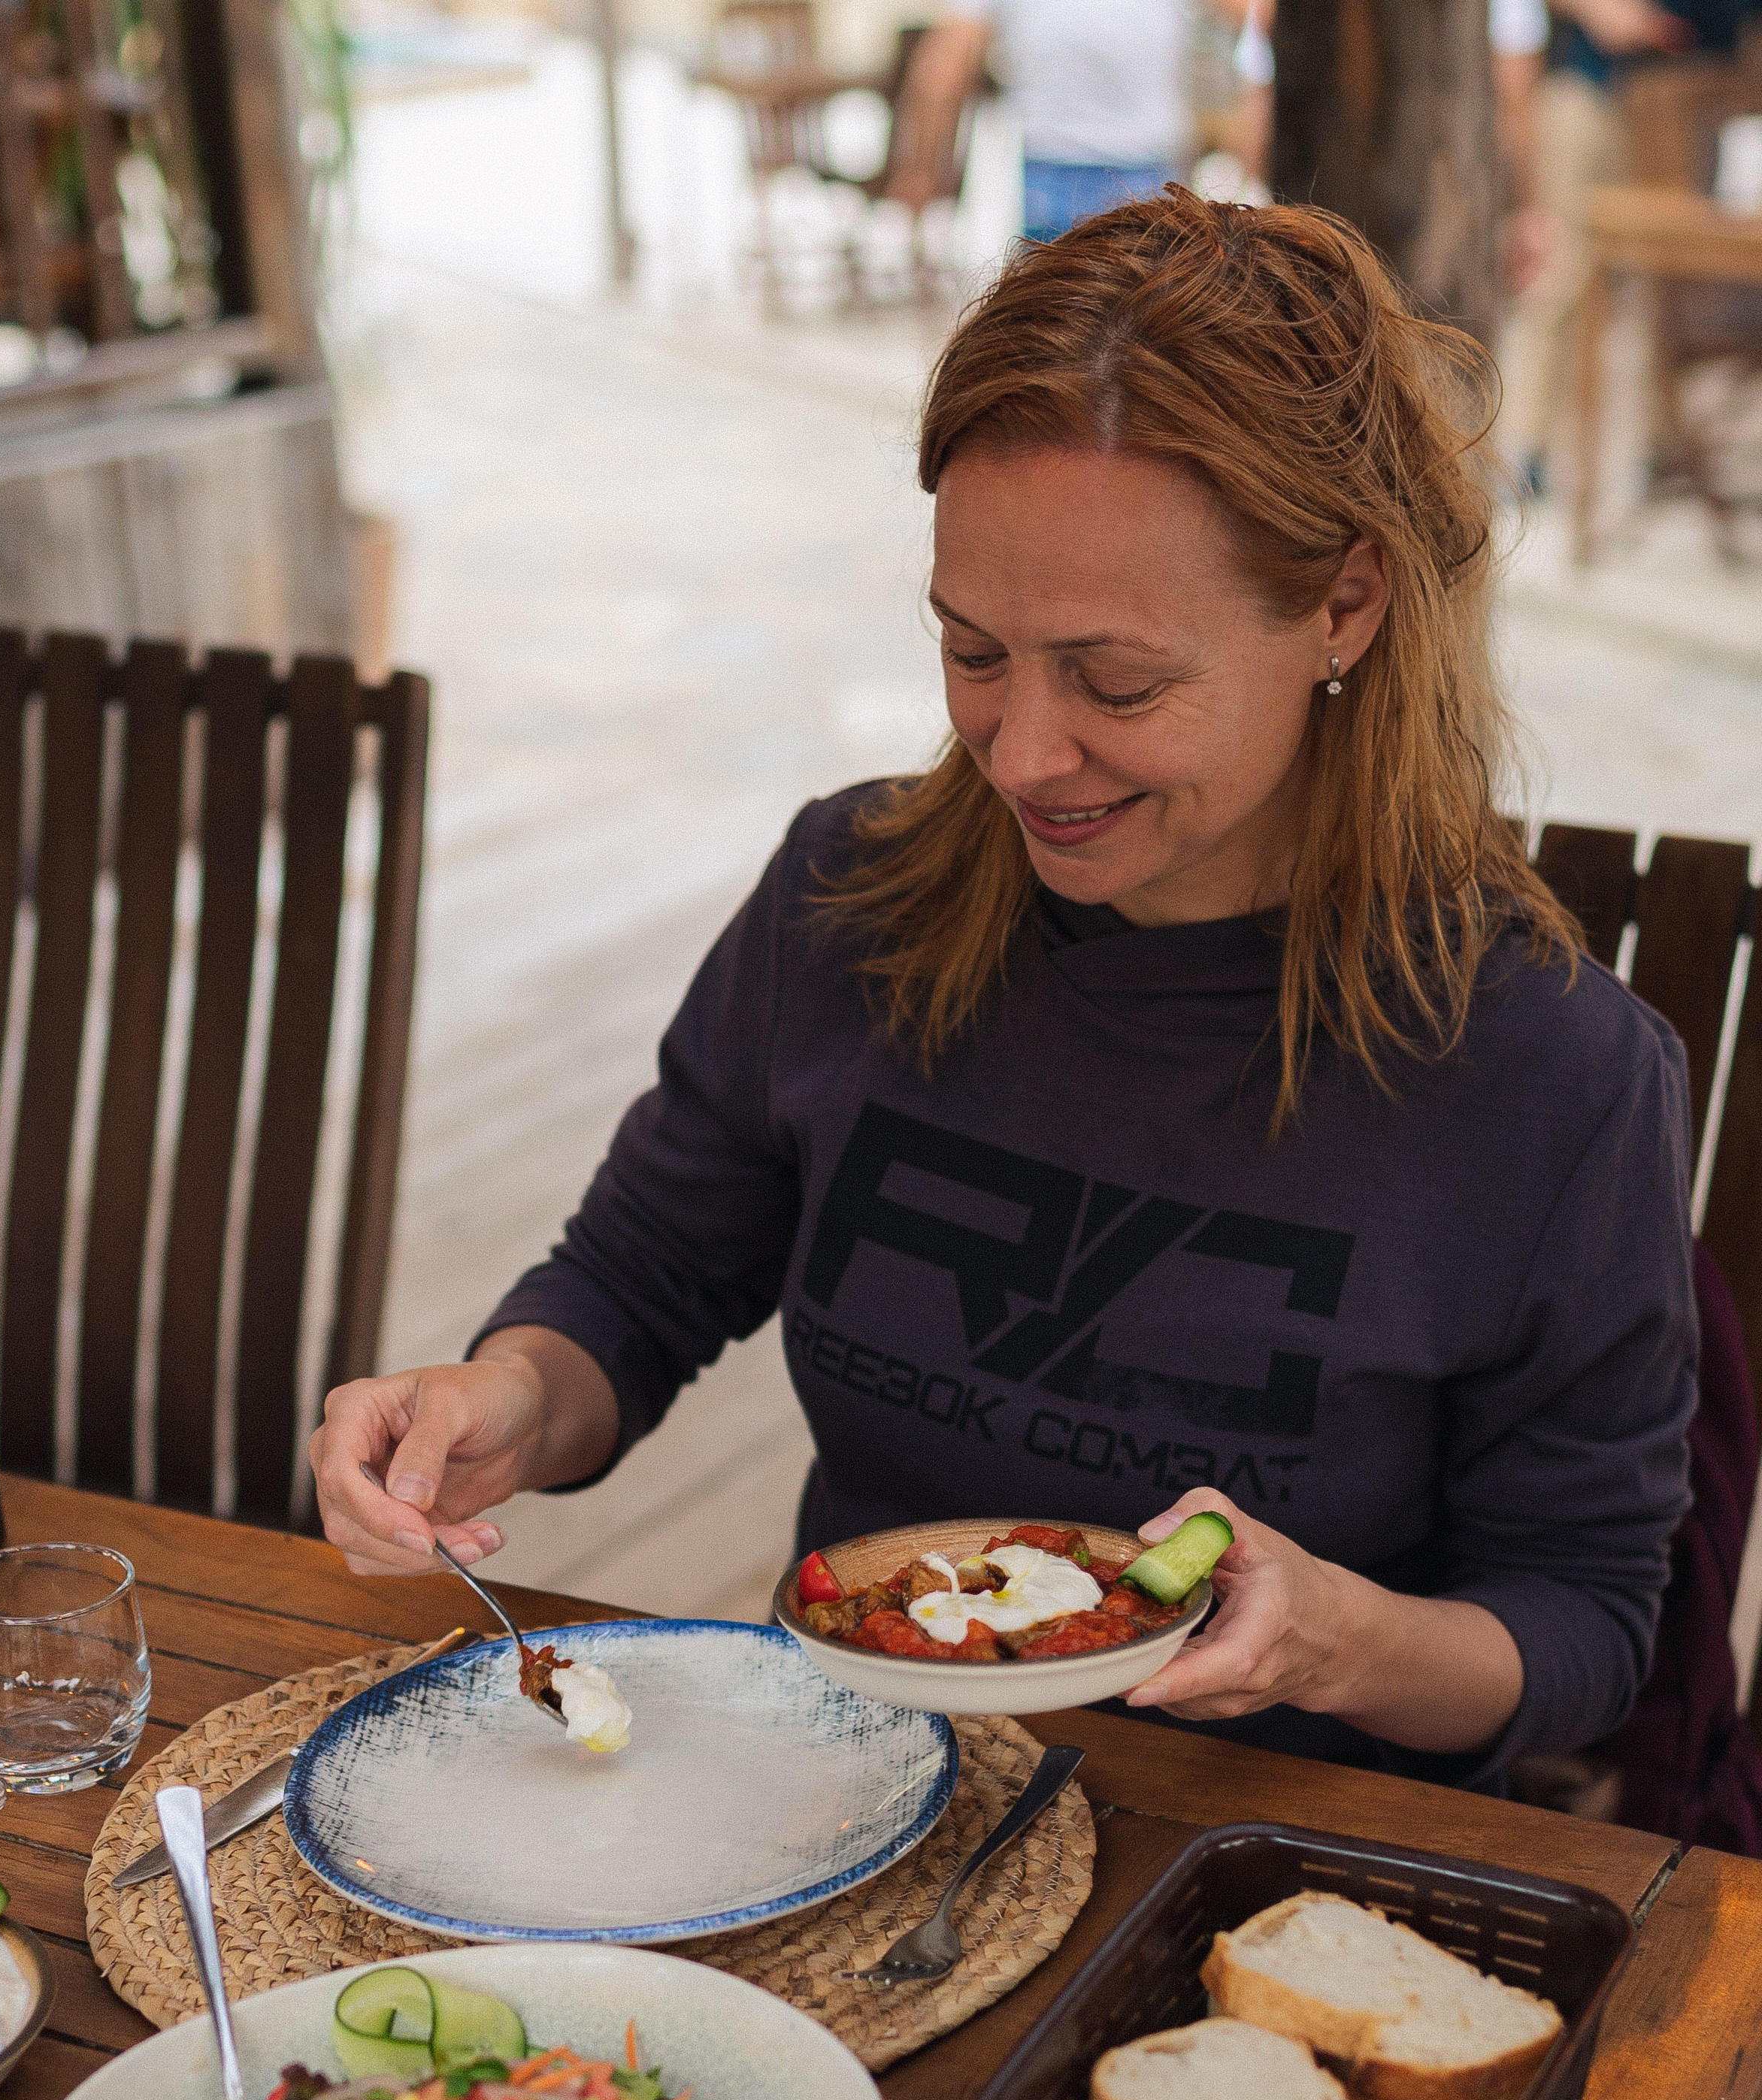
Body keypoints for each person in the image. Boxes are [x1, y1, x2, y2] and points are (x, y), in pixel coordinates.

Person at [312, 192, 1695, 1796]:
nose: (1022, 753)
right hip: (852, 1792)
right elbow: (634, 1281)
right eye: (972, 652)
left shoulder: (1544, 1076)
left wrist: (1336, 1638)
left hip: (1262, 1853)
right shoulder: (850, 898)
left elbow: (1586, 1623)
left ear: (1344, 606)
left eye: (1116, 682)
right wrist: (504, 1400)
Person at [1497, 0, 1760, 489]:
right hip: (1594, 92)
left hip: (1699, 98)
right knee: (1562, 273)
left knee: (1657, 291)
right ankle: (1521, 450)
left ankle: (1654, 455)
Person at [884, 0, 1203, 239]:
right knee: (1155, 317)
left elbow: (940, 76)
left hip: (1049, 170)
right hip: (1146, 170)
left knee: (1051, 315)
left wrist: (920, 173)